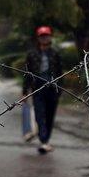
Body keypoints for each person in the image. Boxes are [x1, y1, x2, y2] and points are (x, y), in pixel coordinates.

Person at [22, 26, 63, 154]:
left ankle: (46, 140)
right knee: (39, 114)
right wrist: (25, 90)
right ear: (38, 38)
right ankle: (43, 140)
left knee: (50, 115)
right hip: (37, 87)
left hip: (52, 87)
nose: (44, 38)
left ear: (50, 37)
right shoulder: (32, 54)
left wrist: (60, 88)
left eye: (46, 36)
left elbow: (60, 72)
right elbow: (27, 72)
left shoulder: (55, 53)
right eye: (42, 36)